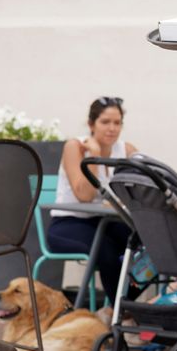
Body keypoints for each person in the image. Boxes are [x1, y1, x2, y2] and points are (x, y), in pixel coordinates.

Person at [47, 97, 137, 306]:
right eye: (105, 122)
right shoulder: (75, 147)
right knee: (105, 249)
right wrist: (94, 156)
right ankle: (122, 311)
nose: (112, 128)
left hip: (105, 222)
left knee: (142, 242)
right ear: (91, 124)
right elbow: (84, 196)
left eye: (117, 123)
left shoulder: (126, 150)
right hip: (68, 224)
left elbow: (143, 179)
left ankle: (127, 307)